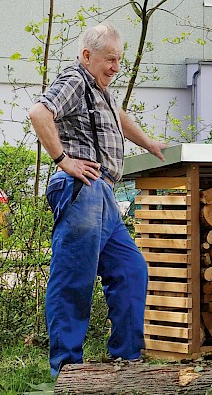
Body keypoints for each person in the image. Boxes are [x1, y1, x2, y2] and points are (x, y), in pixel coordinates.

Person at [30, 25, 165, 375]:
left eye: (119, 60)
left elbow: (117, 118)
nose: (116, 67)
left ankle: (125, 361)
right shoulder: (75, 79)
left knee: (130, 270)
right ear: (87, 55)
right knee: (75, 277)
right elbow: (39, 113)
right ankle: (66, 371)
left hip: (104, 194)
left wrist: (149, 144)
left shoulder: (99, 90)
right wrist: (63, 160)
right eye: (110, 59)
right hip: (82, 190)